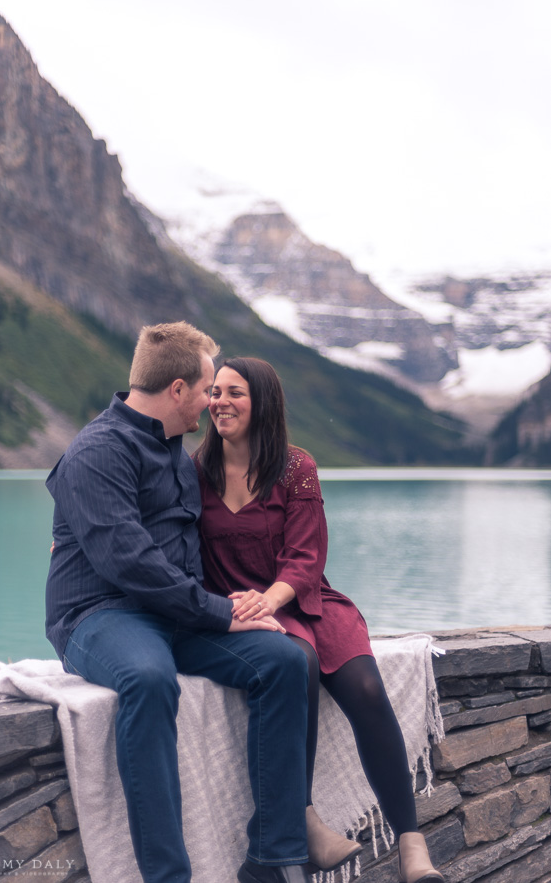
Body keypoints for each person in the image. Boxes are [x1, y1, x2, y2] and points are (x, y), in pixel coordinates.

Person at [45, 323, 313, 883]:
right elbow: (132, 564)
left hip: (177, 615)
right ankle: (168, 875)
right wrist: (222, 614)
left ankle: (271, 859)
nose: (213, 400)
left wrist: (248, 605)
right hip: (99, 616)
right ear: (177, 390)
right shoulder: (95, 452)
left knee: (285, 661)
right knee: (148, 677)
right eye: (208, 388)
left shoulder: (177, 451)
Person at [194, 356, 445, 883]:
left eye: (233, 392)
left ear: (261, 401)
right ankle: (303, 819)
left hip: (305, 599)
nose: (219, 401)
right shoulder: (195, 470)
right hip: (243, 610)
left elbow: (306, 558)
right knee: (294, 663)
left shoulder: (296, 467)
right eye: (214, 391)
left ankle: (411, 843)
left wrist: (273, 597)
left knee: (368, 690)